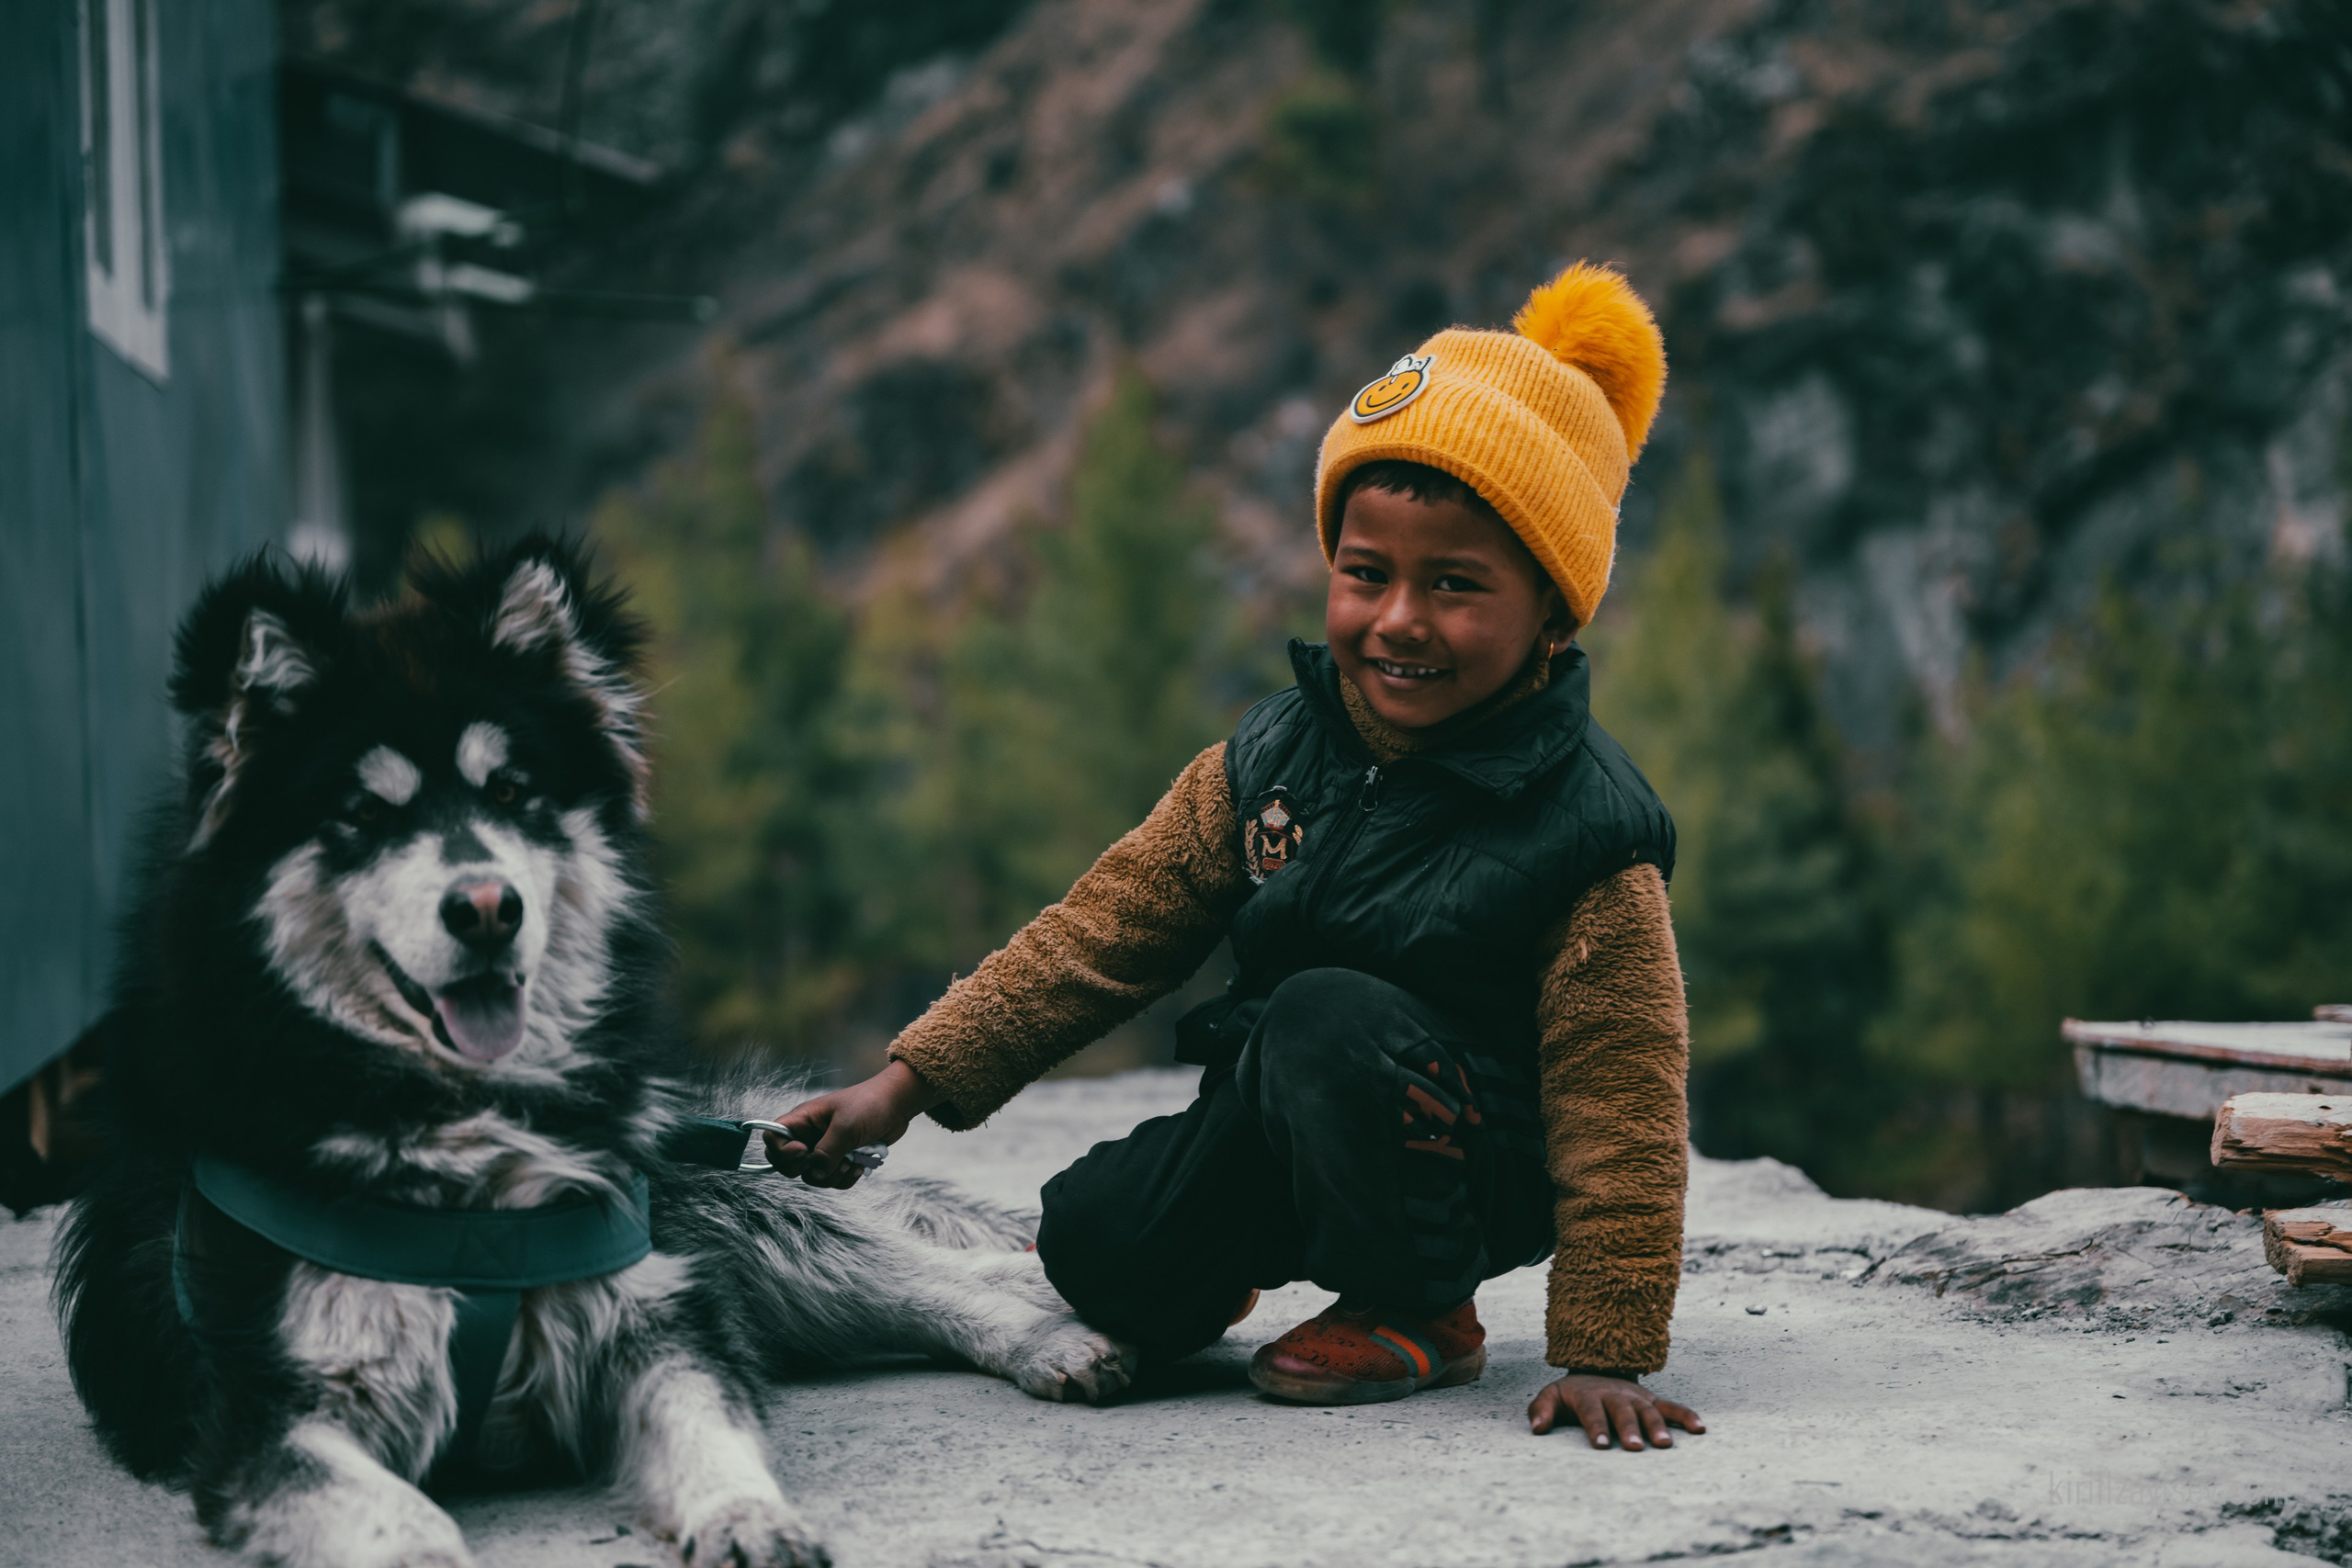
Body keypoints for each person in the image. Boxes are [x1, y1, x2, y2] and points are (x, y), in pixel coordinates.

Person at [765, 263, 1703, 1452]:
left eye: (1456, 586)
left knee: (1320, 1015)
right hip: (1282, 1111)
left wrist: (1607, 1351)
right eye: (1368, 574)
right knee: (1091, 1244)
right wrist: (904, 1088)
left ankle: (1421, 1311)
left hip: (1459, 1163)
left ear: (1553, 614)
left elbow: (1624, 1099)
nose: (1399, 620)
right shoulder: (1276, 753)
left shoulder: (1587, 828)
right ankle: (1243, 1253)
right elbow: (1105, 933)